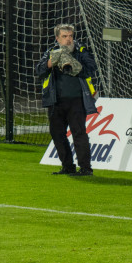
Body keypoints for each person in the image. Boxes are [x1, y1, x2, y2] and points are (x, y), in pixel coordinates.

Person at [35, 23, 99, 176]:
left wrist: (75, 65)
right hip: (56, 101)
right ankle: (67, 166)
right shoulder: (51, 51)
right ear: (57, 38)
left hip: (77, 100)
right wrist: (51, 62)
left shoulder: (81, 50)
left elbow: (92, 67)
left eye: (70, 36)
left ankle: (85, 168)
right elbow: (39, 70)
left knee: (79, 133)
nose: (68, 40)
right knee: (57, 133)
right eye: (64, 36)